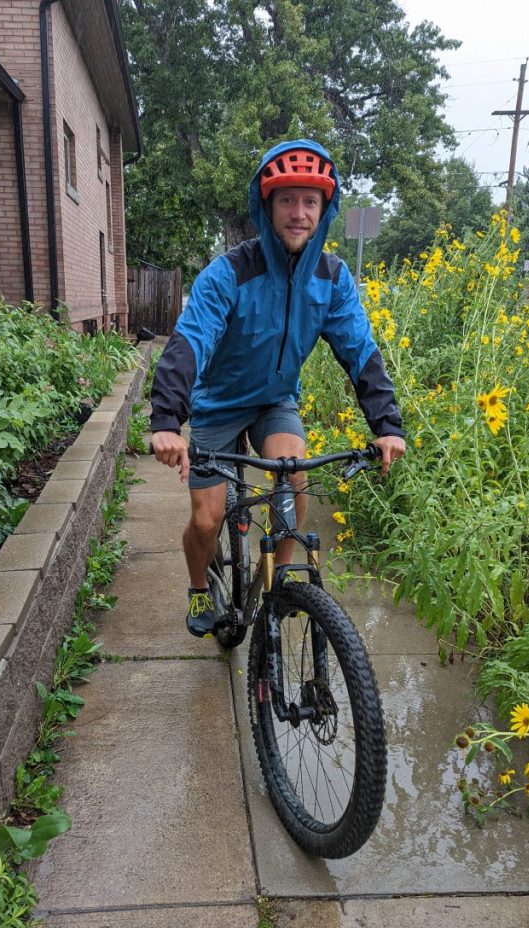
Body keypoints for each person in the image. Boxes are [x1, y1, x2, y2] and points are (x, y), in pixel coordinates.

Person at [150, 139, 405, 637]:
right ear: (266, 206)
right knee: (207, 520)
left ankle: (279, 588)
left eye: (310, 201)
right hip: (218, 403)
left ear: (324, 210)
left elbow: (360, 350)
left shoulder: (332, 278)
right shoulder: (230, 273)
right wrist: (166, 422)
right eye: (287, 199)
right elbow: (189, 342)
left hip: (274, 400)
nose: (299, 212)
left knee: (293, 477)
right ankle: (200, 587)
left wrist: (387, 426)